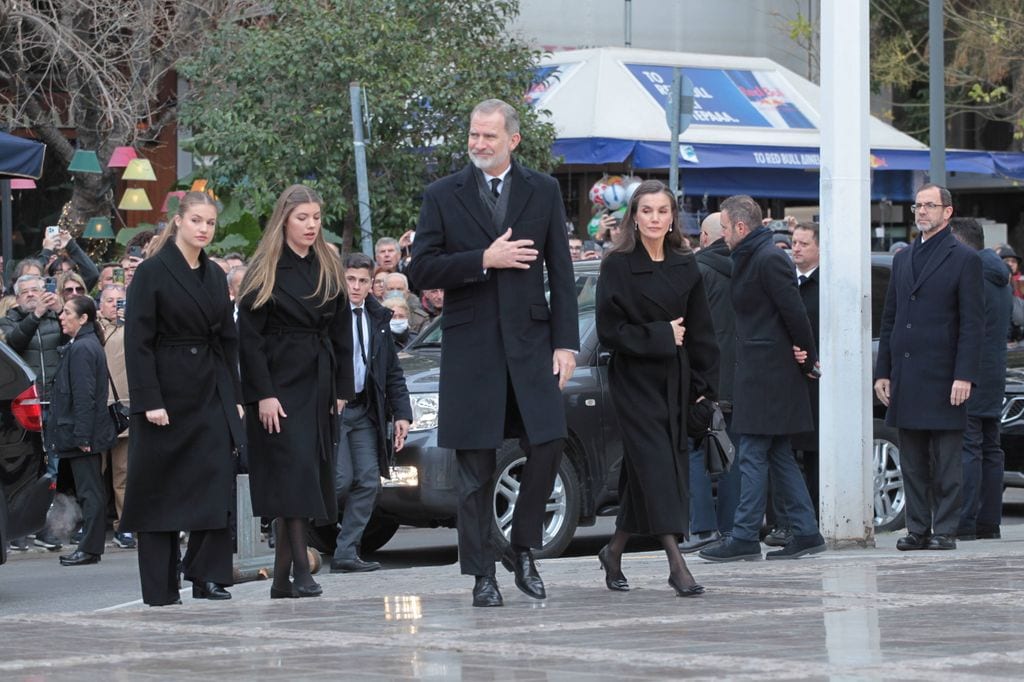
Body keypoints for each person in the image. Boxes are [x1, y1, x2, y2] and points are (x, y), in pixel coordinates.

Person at [407, 98, 578, 607]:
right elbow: (421, 270)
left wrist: (566, 343)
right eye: (474, 135)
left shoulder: (543, 191)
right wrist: (484, 258)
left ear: (513, 140)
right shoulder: (443, 194)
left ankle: (523, 546)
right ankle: (483, 574)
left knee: (548, 442)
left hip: (531, 346)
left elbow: (562, 275)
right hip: (471, 350)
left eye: (489, 137)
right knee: (475, 470)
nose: (479, 144)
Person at [119, 191, 246, 606]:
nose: (204, 229)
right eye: (196, 221)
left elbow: (228, 340)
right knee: (160, 491)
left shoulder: (213, 274)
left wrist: (235, 396)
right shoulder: (152, 272)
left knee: (213, 484)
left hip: (209, 391)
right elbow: (137, 341)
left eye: (210, 223)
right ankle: (160, 587)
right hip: (165, 395)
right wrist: (148, 399)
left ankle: (208, 576)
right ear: (178, 221)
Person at [595, 180, 718, 596]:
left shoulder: (686, 263)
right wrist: (661, 334)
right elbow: (610, 332)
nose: (654, 218)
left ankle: (614, 550)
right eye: (646, 211)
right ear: (634, 215)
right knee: (658, 466)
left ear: (672, 218)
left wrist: (703, 386)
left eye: (662, 211)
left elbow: (701, 331)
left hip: (677, 381)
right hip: (634, 381)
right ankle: (676, 564)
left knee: (644, 472)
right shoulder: (616, 264)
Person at [238, 184, 353, 599]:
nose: (311, 225)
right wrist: (262, 394)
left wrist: (342, 387)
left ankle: (283, 577)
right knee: (292, 474)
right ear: (285, 218)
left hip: (318, 380)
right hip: (278, 383)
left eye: (316, 218)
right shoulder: (264, 267)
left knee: (307, 473)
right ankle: (300, 570)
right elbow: (248, 339)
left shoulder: (328, 264)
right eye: (302, 217)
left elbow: (342, 329)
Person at [700, 194, 825, 563]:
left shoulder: (768, 259)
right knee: (778, 454)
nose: (722, 235)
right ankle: (806, 531)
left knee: (753, 453)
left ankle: (743, 536)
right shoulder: (752, 256)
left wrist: (807, 356)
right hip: (762, 370)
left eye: (724, 228)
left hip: (769, 374)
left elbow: (795, 313)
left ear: (740, 227)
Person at [874, 184, 983, 552]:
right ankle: (918, 528)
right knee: (913, 459)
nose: (921, 212)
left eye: (929, 206)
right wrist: (883, 371)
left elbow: (972, 324)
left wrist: (964, 374)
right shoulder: (903, 258)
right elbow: (890, 318)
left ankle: (946, 528)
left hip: (945, 375)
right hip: (906, 374)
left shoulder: (964, 259)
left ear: (947, 212)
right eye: (917, 206)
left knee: (947, 459)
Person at [330, 253, 412, 573]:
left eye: (363, 281)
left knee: (368, 480)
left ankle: (346, 551)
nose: (356, 286)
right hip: (333, 409)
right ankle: (290, 528)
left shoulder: (377, 318)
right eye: (350, 279)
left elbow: (391, 370)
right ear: (341, 279)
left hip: (365, 409)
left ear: (372, 284)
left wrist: (402, 413)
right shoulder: (329, 314)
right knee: (339, 480)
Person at [680, 212, 740, 554]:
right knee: (731, 452)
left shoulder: (697, 271)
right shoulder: (746, 268)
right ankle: (732, 529)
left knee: (693, 450)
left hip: (704, 377)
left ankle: (702, 528)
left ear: (705, 236)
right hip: (739, 377)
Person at [949, 218, 1010, 541]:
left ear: (960, 242)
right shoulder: (1000, 275)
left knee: (969, 446)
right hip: (994, 371)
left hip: (970, 372)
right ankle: (989, 521)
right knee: (990, 447)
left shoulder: (973, 274)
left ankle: (966, 521)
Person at [48, 295, 116, 566]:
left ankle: (89, 548)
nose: (61, 317)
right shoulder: (83, 344)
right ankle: (90, 546)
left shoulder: (83, 348)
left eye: (66, 313)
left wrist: (83, 436)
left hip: (82, 433)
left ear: (83, 318)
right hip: (80, 431)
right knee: (90, 490)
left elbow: (85, 396)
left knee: (90, 492)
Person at [766, 221, 822, 546]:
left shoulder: (823, 286)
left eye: (803, 243)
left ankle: (808, 521)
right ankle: (783, 522)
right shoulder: (786, 280)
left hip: (815, 381)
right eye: (794, 243)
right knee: (784, 452)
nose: (796, 249)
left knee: (812, 456)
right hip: (787, 379)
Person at [96, 284, 135, 549]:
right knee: (95, 474)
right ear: (100, 304)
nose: (114, 305)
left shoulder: (134, 327)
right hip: (98, 411)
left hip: (124, 410)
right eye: (109, 300)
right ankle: (93, 527)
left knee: (124, 473)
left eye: (119, 300)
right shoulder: (92, 328)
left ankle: (125, 527)